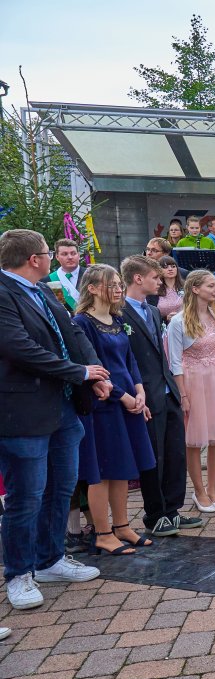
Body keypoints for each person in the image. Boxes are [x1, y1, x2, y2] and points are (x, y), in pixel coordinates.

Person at [0, 229, 107, 608]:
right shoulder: (3, 293)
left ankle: (50, 560)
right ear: (34, 259)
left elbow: (72, 332)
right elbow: (18, 348)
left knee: (61, 488)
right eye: (48, 252)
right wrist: (78, 372)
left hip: (63, 408)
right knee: (25, 496)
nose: (52, 258)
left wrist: (94, 371)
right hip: (23, 414)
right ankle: (19, 574)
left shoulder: (43, 290)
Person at [71, 265, 158, 555]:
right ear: (93, 288)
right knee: (103, 472)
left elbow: (130, 360)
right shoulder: (82, 323)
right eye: (112, 284)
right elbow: (94, 367)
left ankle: (122, 526)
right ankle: (103, 532)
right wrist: (124, 397)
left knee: (123, 468)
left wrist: (140, 392)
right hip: (103, 405)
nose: (119, 289)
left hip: (129, 400)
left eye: (120, 284)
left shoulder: (117, 319)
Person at [122, 256, 198, 537]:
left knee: (175, 453)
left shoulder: (153, 311)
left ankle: (172, 510)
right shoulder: (120, 313)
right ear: (138, 278)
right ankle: (155, 514)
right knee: (155, 456)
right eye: (155, 277)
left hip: (167, 390)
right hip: (145, 393)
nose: (160, 281)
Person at [168, 270, 215, 513]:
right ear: (195, 289)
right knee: (194, 439)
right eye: (210, 286)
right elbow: (175, 362)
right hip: (193, 381)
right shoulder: (178, 321)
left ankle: (212, 488)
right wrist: (183, 394)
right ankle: (199, 490)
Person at [45, 238, 85, 311]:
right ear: (57, 257)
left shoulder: (91, 276)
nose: (70, 257)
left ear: (78, 255)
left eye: (73, 253)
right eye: (64, 254)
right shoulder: (48, 280)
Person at [156, 256, 185, 321]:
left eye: (173, 266)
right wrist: (166, 318)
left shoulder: (186, 286)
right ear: (159, 270)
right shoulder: (155, 289)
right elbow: (151, 315)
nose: (170, 269)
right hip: (164, 325)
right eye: (165, 267)